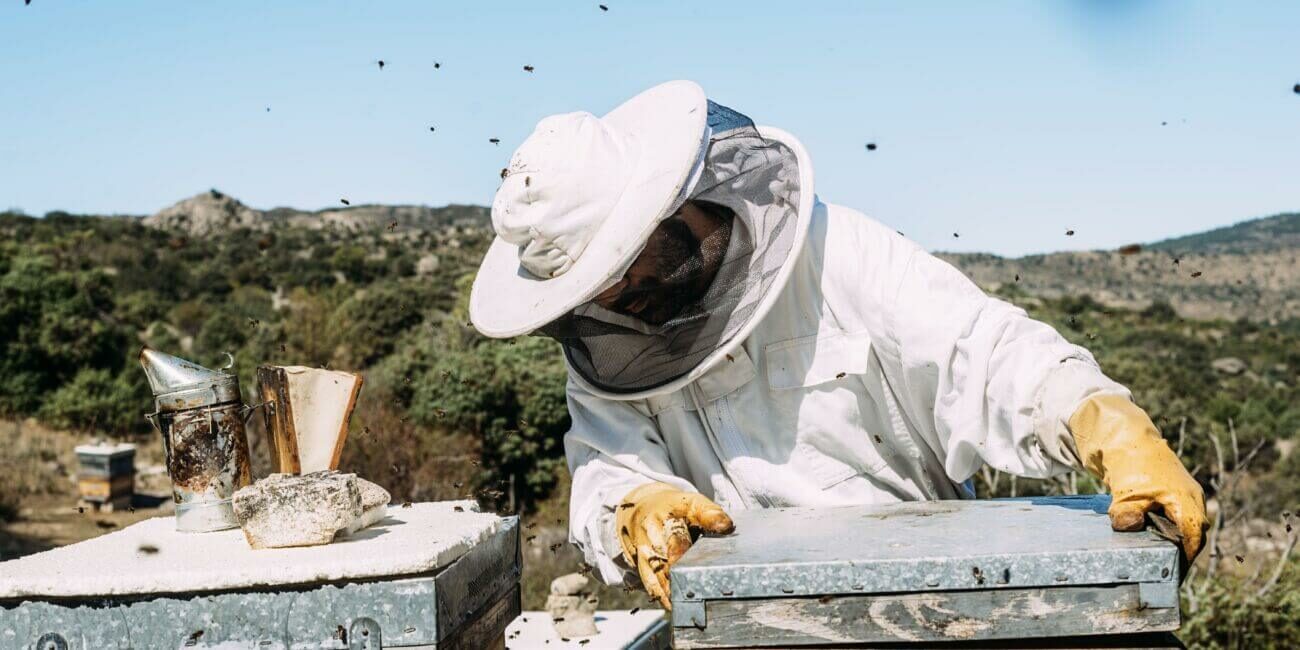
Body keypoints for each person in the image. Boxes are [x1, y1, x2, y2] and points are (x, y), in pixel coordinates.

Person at [469, 81, 1207, 609]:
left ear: (663, 218)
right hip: (734, 619)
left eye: (615, 273)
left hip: (931, 603)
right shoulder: (609, 348)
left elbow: (979, 351)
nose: (608, 303)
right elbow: (606, 466)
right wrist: (634, 507)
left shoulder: (837, 253)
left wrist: (1097, 417)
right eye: (587, 292)